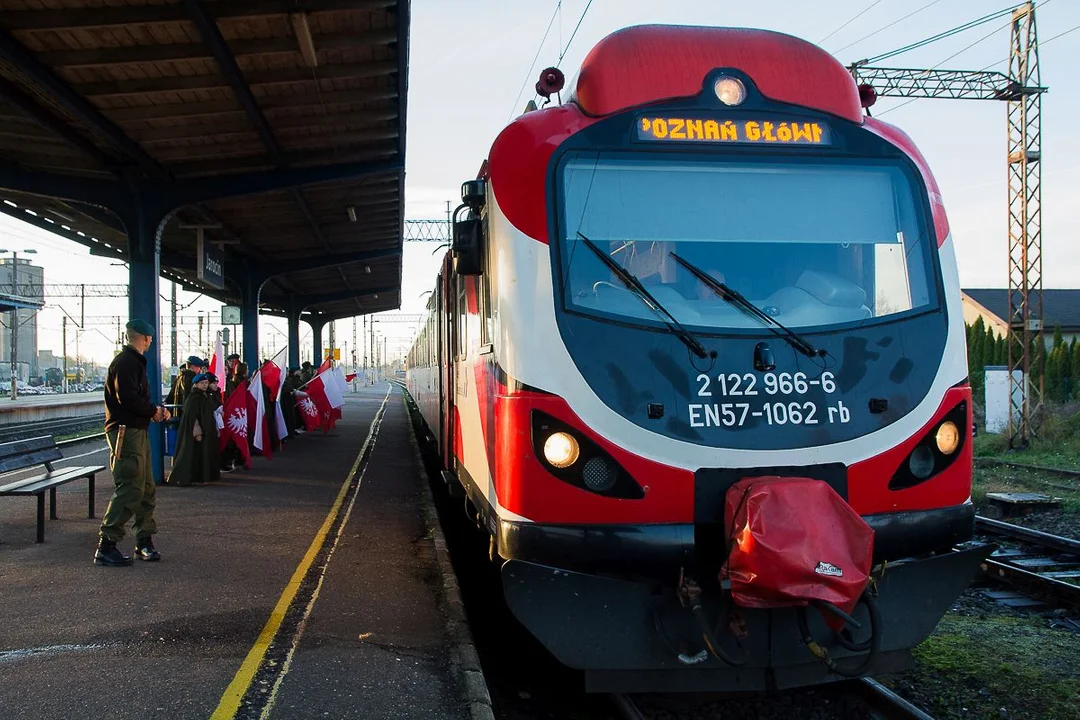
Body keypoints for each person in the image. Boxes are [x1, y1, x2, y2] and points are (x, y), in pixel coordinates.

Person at [95, 319, 171, 567]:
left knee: (146, 487)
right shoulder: (126, 362)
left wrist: (154, 411)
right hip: (125, 433)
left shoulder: (133, 362)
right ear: (145, 338)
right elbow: (128, 398)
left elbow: (134, 398)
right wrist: (154, 411)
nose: (150, 342)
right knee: (131, 486)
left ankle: (144, 541)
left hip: (137, 432)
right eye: (150, 338)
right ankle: (107, 545)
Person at [167, 372, 221, 486]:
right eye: (202, 383)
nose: (205, 385)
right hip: (200, 432)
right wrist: (197, 432)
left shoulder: (204, 396)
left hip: (207, 430)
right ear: (196, 384)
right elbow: (192, 418)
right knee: (197, 454)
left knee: (202, 454)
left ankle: (202, 477)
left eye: (206, 383)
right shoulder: (194, 398)